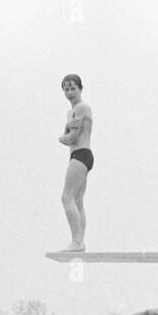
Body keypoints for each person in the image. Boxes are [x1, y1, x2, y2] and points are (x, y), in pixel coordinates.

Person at [57, 73, 93, 253]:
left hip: (80, 154)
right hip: (79, 155)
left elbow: (71, 137)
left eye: (73, 88)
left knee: (66, 197)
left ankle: (77, 242)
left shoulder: (81, 108)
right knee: (77, 200)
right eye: (66, 88)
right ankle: (80, 242)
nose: (70, 92)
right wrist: (66, 134)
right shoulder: (71, 112)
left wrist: (61, 136)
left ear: (80, 88)